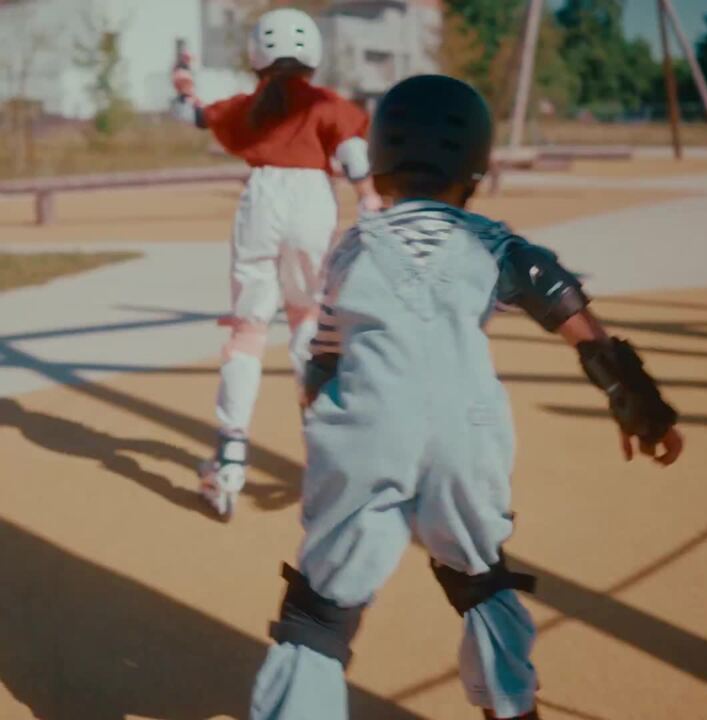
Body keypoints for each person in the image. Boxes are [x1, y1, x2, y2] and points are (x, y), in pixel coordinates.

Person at [249, 75, 683, 720]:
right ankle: (510, 705)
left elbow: (323, 360)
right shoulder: (492, 241)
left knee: (322, 610)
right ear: (475, 167)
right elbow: (568, 311)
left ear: (383, 161)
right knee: (480, 578)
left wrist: (322, 425)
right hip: (465, 432)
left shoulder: (354, 248)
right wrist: (635, 398)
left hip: (365, 427)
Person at [171, 9, 381, 520]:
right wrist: (369, 199)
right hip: (313, 202)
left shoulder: (251, 104)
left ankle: (229, 461)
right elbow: (354, 154)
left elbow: (190, 114)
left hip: (261, 199)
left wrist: (181, 82)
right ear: (312, 54)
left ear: (257, 56)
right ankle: (327, 457)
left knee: (248, 331)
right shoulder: (327, 103)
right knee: (308, 325)